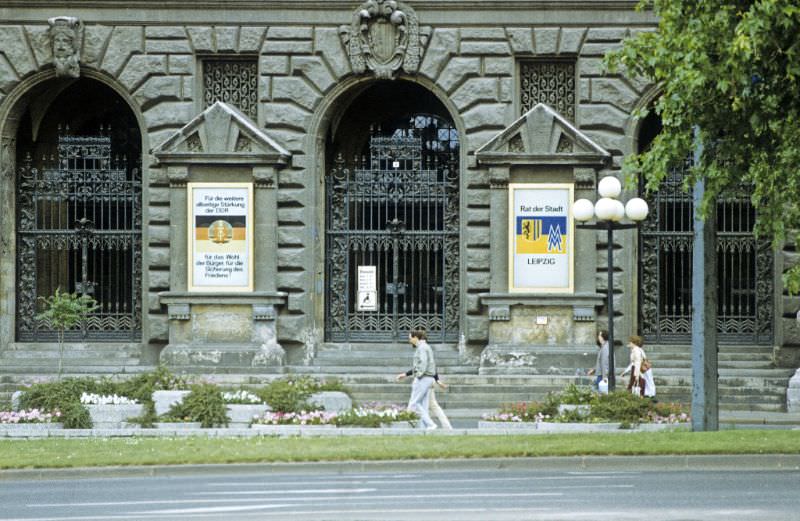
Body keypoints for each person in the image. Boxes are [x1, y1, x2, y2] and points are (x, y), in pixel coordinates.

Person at [398, 328, 437, 430]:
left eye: (410, 338)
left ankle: (430, 424)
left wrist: (418, 375)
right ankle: (425, 427)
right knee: (422, 404)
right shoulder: (425, 347)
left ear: (415, 337)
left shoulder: (422, 348)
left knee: (414, 403)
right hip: (428, 378)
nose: (409, 340)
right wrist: (407, 374)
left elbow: (423, 363)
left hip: (423, 378)